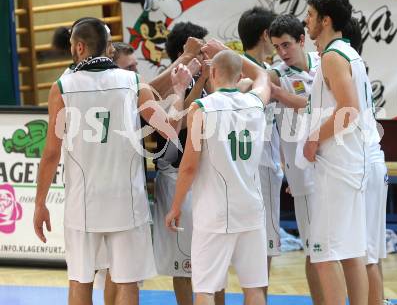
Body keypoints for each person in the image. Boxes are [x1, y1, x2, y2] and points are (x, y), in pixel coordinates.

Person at [33, 17, 192, 305]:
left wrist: (40, 202)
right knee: (127, 282)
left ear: (79, 47)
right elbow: (170, 128)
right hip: (126, 201)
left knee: (80, 280)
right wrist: (179, 90)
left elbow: (51, 154)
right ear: (107, 48)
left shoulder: (63, 87)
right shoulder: (133, 82)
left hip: (83, 202)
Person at [165, 48, 271, 305]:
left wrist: (176, 205)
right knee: (254, 288)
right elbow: (263, 76)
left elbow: (189, 166)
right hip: (251, 209)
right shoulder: (256, 102)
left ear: (212, 73)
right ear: (239, 75)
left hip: (215, 212)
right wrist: (226, 52)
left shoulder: (202, 107)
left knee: (205, 289)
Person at [302, 0, 372, 305]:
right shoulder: (348, 53)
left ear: (326, 20)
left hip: (338, 165)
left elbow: (349, 110)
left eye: (311, 15)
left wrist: (314, 137)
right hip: (351, 163)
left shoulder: (333, 56)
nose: (306, 21)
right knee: (352, 251)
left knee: (323, 254)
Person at [153, 22, 224, 305]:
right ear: (189, 51)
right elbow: (177, 123)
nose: (206, 52)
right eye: (201, 48)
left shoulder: (208, 77)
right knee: (183, 264)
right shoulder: (170, 80)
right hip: (175, 175)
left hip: (206, 176)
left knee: (213, 261)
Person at [268, 14, 323, 305]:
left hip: (331, 167)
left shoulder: (325, 63)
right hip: (303, 175)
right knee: (315, 250)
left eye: (286, 45)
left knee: (339, 247)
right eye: (277, 47)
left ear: (302, 40)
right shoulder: (277, 74)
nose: (282, 52)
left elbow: (321, 107)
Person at [343, 18, 389, 305]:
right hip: (370, 159)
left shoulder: (343, 64)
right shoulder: (354, 65)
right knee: (370, 249)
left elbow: (347, 115)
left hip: (365, 161)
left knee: (366, 252)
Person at [236, 7, 283, 288]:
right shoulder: (261, 75)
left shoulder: (234, 69)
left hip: (244, 166)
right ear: (266, 35)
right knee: (263, 248)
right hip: (260, 165)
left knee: (254, 246)